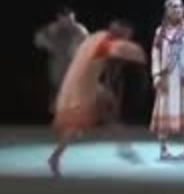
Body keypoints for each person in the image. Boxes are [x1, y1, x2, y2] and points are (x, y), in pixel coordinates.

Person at [48, 21, 147, 176]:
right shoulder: (104, 44)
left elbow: (104, 62)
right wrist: (138, 56)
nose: (127, 38)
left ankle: (123, 145)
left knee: (107, 112)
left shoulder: (98, 37)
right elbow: (117, 53)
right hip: (83, 87)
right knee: (76, 124)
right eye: (126, 35)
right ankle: (55, 156)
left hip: (90, 83)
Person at [150, 0, 184, 160]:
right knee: (164, 110)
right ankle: (163, 149)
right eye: (173, 7)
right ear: (167, 11)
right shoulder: (160, 31)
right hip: (167, 78)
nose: (177, 9)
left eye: (180, 6)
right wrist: (156, 75)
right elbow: (156, 54)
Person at [34, 8, 90, 112]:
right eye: (66, 20)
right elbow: (38, 40)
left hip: (73, 62)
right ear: (59, 18)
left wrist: (78, 49)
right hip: (57, 62)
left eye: (71, 20)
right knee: (56, 86)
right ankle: (56, 109)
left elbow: (88, 45)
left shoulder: (79, 29)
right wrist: (48, 45)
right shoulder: (52, 28)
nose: (69, 23)